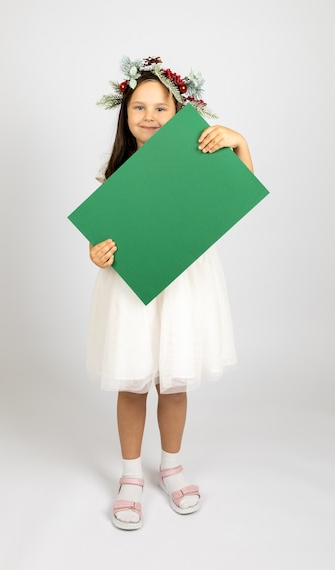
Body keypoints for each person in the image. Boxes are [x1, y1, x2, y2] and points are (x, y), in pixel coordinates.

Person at [86, 56, 254, 530]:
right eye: (139, 107)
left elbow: (238, 189)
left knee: (173, 380)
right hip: (132, 287)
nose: (150, 117)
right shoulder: (118, 172)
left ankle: (172, 466)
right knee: (132, 378)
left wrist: (239, 140)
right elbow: (99, 238)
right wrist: (96, 254)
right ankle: (129, 476)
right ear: (125, 115)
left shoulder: (197, 157)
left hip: (184, 283)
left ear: (178, 113)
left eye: (161, 108)